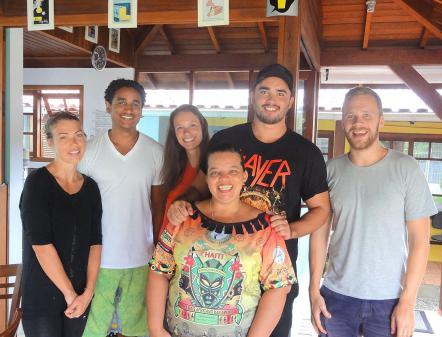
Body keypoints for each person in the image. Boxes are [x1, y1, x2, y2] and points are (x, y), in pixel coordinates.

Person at [167, 63, 330, 337]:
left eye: (280, 93)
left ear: (290, 101)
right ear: (253, 96)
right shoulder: (227, 139)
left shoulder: (307, 153)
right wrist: (181, 204)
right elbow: (200, 187)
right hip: (216, 268)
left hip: (272, 277)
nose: (271, 99)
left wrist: (292, 229)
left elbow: (321, 209)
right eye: (264, 91)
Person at [309, 86, 437, 337]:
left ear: (381, 119)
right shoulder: (330, 170)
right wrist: (314, 291)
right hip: (336, 297)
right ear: (343, 121)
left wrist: (408, 303)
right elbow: (319, 233)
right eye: (350, 116)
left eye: (367, 115)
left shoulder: (406, 168)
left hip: (389, 300)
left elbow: (420, 241)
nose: (358, 123)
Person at [148, 143, 297, 337]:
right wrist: (156, 329)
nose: (223, 179)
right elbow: (159, 271)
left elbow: (279, 287)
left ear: (244, 176)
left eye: (232, 171)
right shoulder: (184, 218)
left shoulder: (266, 227)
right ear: (207, 178)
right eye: (215, 172)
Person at [79, 79, 165, 337]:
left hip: (141, 255)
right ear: (108, 106)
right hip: (98, 258)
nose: (128, 108)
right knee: (93, 325)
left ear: (142, 109)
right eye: (121, 102)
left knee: (138, 325)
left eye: (135, 103)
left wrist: (159, 250)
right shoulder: (88, 151)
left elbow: (157, 205)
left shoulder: (155, 151)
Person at [20, 111, 102, 337]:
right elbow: (41, 244)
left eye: (79, 135)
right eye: (63, 136)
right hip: (42, 296)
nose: (74, 143)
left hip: (80, 295)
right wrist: (69, 294)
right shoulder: (37, 183)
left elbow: (95, 243)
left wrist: (88, 292)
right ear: (50, 143)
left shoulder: (91, 188)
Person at [160, 104, 209, 237]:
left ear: (203, 127)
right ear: (174, 133)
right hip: (166, 246)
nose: (186, 133)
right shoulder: (174, 167)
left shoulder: (213, 168)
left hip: (193, 250)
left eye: (192, 125)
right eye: (180, 127)